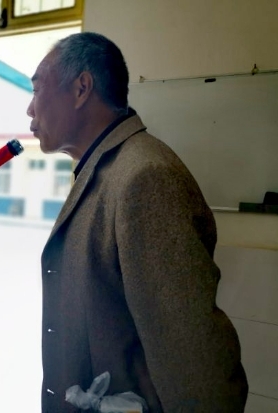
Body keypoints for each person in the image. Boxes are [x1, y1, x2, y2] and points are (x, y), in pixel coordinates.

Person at [27, 32, 248, 412]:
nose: (30, 109)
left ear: (81, 89)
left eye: (36, 90)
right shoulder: (104, 168)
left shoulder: (145, 177)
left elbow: (192, 351)